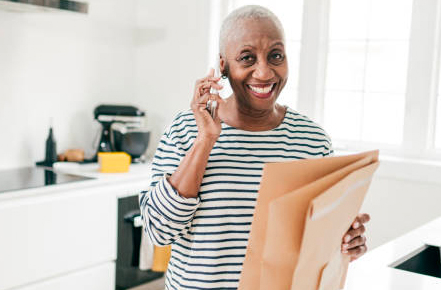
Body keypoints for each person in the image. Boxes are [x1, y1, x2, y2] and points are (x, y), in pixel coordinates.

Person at [140, 5, 370, 289]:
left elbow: (316, 242)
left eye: (276, 55)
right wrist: (205, 141)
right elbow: (157, 231)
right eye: (247, 58)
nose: (263, 72)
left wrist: (345, 242)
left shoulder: (312, 140)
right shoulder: (185, 129)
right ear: (223, 66)